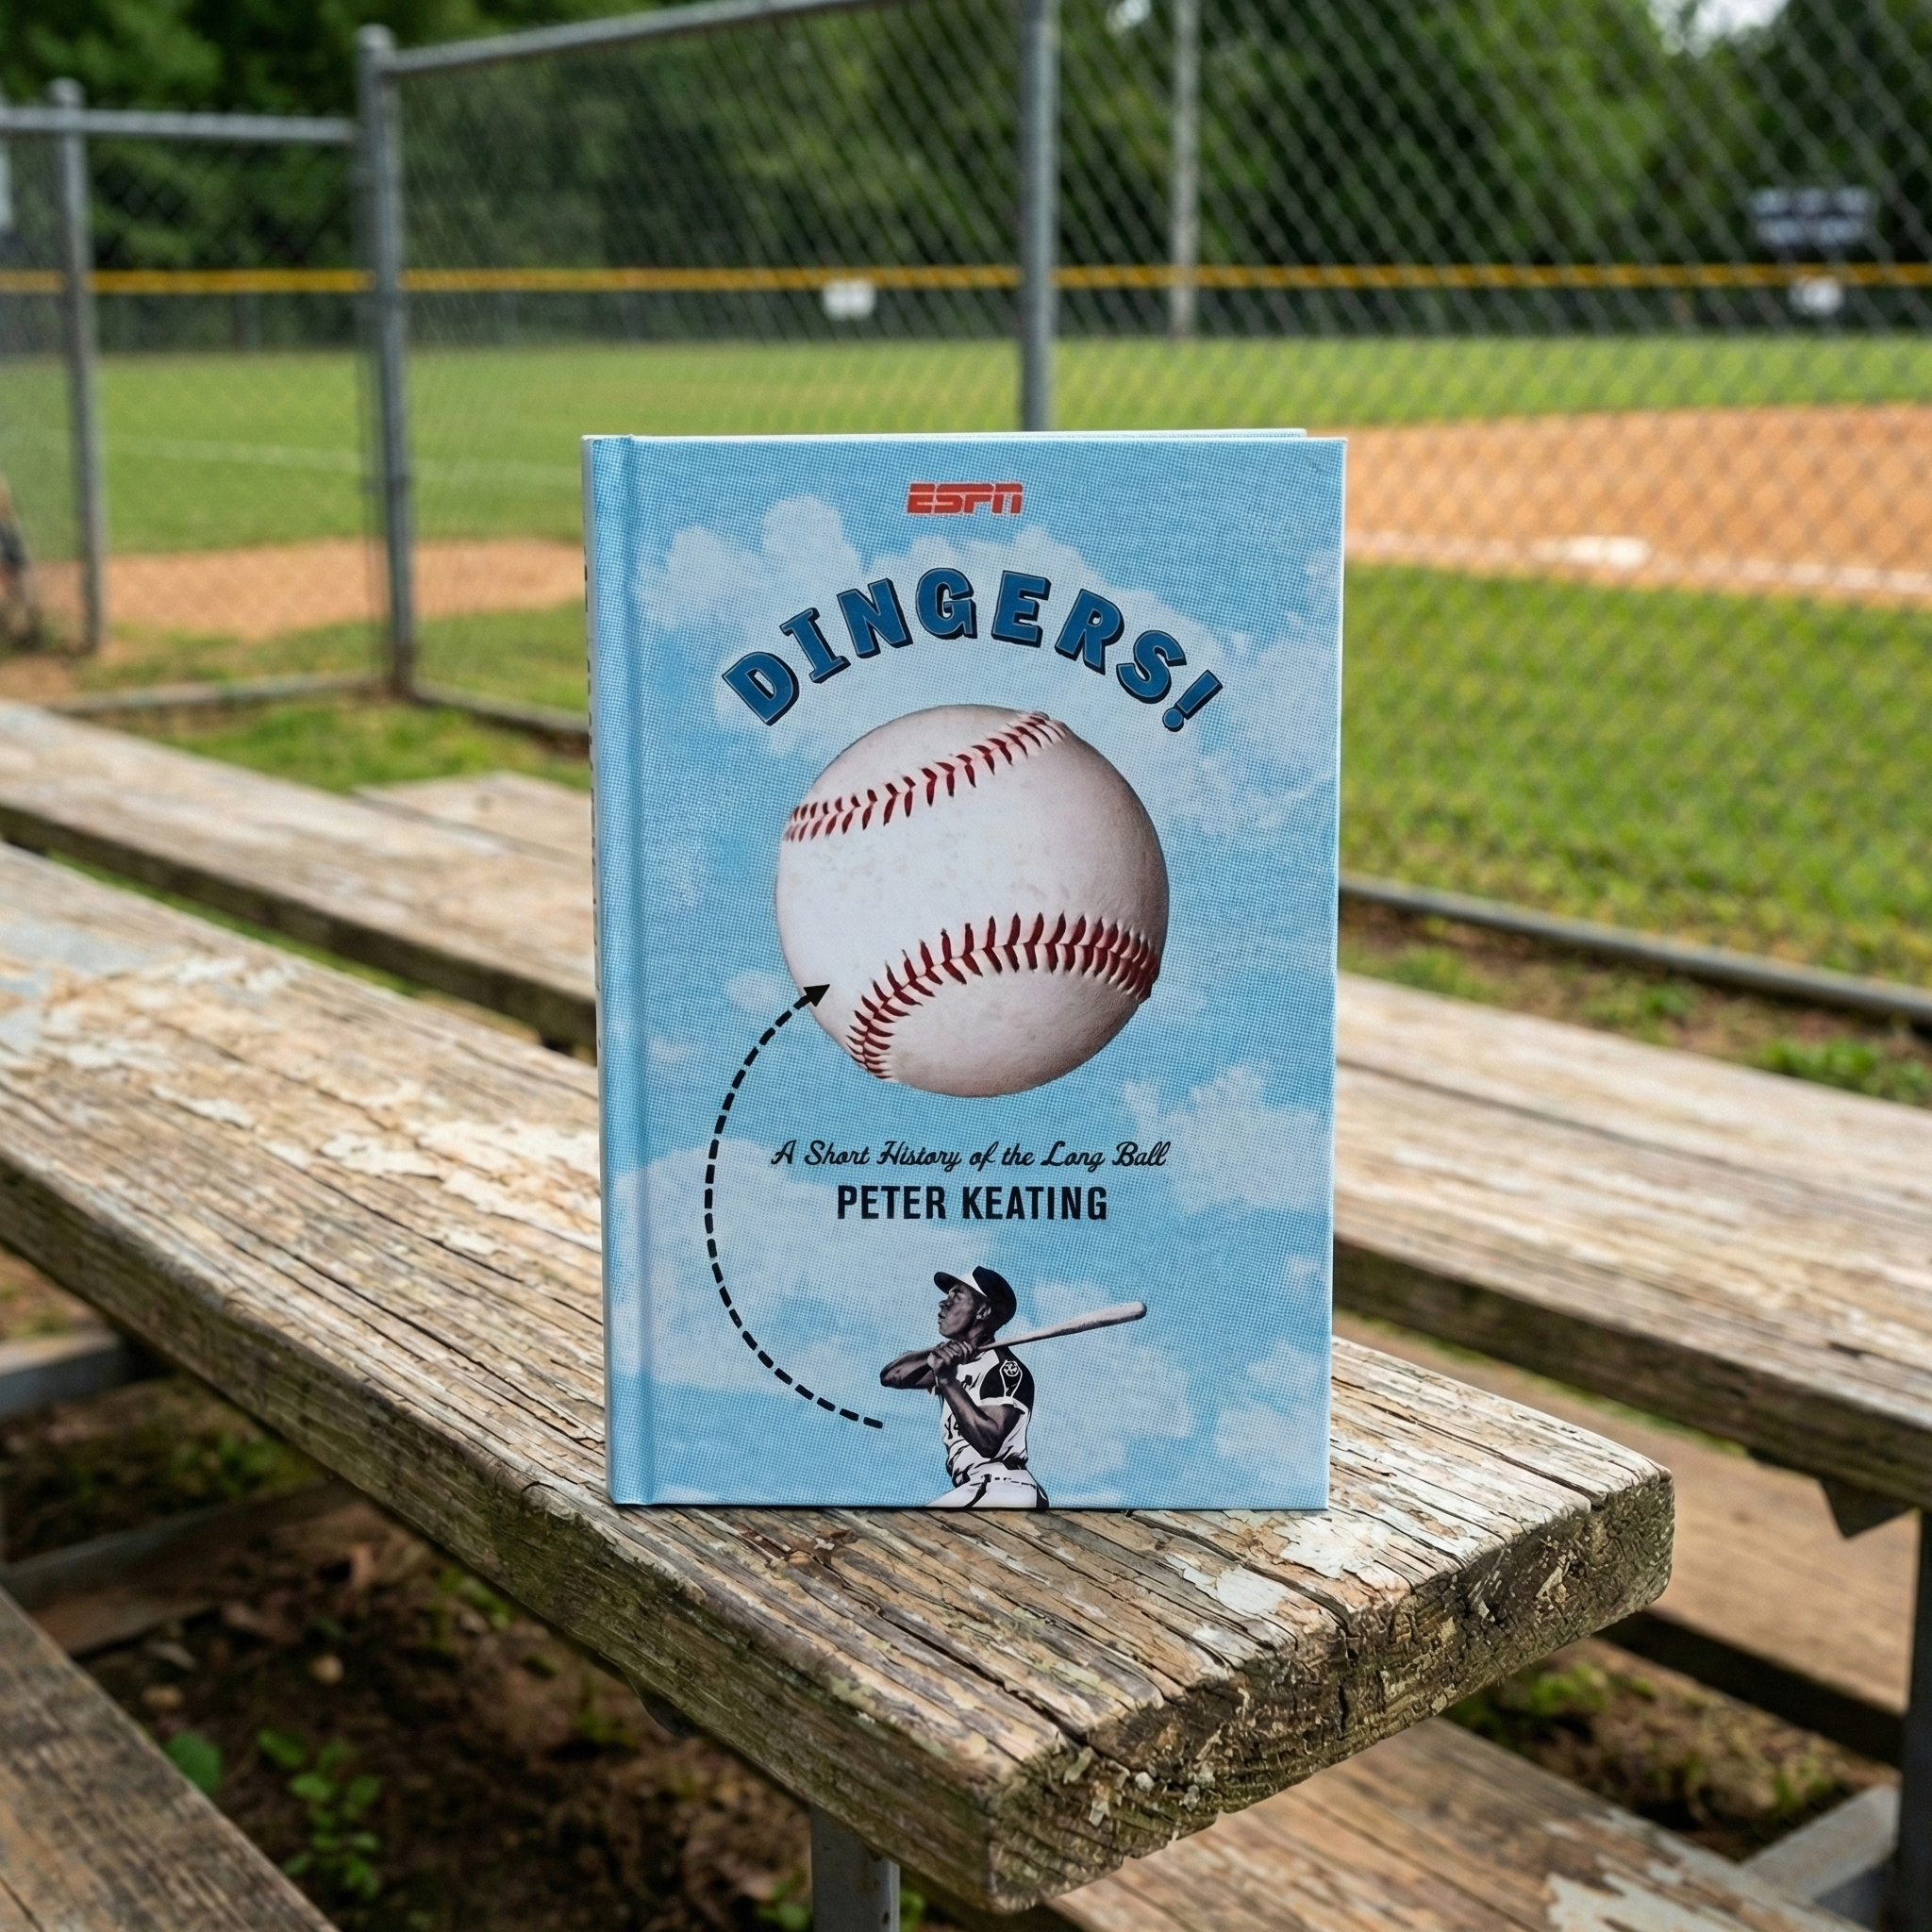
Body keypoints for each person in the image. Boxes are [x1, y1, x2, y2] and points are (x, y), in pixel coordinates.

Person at [879, 1265, 1047, 1509]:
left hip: (1002, 1485)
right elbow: (891, 1376)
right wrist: (941, 1354)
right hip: (975, 1487)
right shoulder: (952, 1362)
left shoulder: (1004, 1369)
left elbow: (988, 1443)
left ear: (984, 1310)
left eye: (956, 1296)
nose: (943, 1303)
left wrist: (947, 1380)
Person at [0, 475, 40, 651]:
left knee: (26, 589)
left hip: (13, 573)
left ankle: (22, 630)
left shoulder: (8, 529)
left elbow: (22, 562)